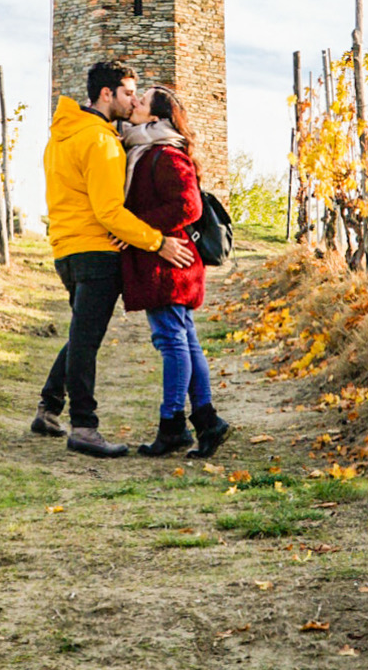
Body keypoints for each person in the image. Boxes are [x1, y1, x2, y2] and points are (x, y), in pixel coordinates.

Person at [33, 60, 196, 458]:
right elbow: (109, 211)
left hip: (65, 249)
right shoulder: (101, 141)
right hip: (97, 251)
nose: (132, 101)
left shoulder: (62, 135)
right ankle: (84, 427)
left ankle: (48, 407)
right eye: (127, 93)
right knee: (86, 341)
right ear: (107, 94)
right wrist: (157, 242)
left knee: (81, 334)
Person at [120, 86, 230, 459]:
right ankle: (207, 421)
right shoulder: (148, 149)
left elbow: (188, 206)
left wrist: (135, 226)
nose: (134, 102)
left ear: (155, 116)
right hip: (171, 264)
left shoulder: (165, 154)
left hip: (169, 266)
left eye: (141, 100)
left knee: (172, 343)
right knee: (184, 340)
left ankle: (172, 426)